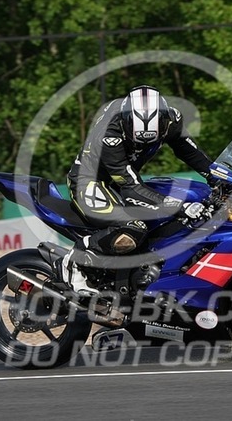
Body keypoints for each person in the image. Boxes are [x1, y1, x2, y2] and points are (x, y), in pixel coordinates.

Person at [60, 85, 217, 295]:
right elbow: (130, 186)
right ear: (126, 122)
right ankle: (76, 260)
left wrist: (219, 177)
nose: (142, 145)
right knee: (133, 227)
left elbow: (190, 152)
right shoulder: (109, 132)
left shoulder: (170, 120)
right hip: (90, 182)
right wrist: (180, 207)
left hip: (123, 181)